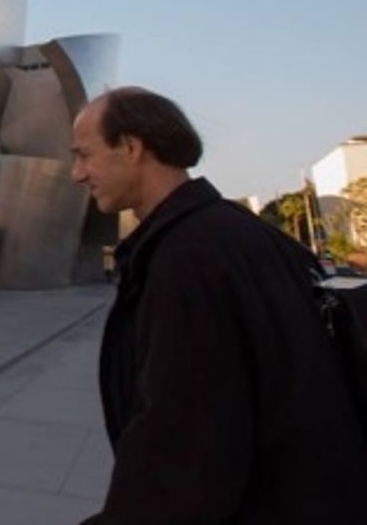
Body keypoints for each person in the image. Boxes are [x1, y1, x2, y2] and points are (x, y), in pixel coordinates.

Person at [71, 86, 367, 524]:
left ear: (132, 147)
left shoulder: (187, 261)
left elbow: (182, 460)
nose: (77, 172)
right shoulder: (249, 235)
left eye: (84, 154)